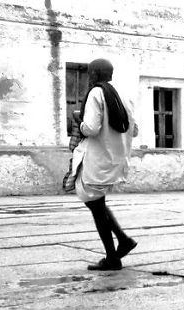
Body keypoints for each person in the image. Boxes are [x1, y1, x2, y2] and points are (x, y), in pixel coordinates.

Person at [71, 58, 139, 271]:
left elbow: (90, 128)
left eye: (90, 74)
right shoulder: (124, 95)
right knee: (97, 203)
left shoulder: (96, 93)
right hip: (116, 158)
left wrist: (78, 121)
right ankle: (120, 243)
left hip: (97, 158)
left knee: (95, 205)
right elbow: (134, 130)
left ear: (93, 75)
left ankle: (113, 255)